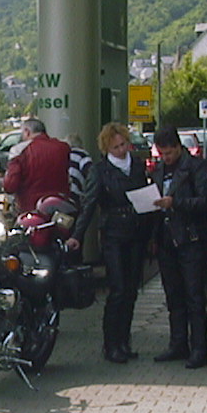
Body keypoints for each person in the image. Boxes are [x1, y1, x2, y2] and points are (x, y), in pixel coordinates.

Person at [66, 122, 153, 363]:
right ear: (107, 149)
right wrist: (77, 235)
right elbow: (89, 204)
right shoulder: (100, 170)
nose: (121, 150)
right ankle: (111, 344)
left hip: (136, 231)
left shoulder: (137, 165)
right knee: (118, 289)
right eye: (116, 147)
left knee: (131, 290)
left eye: (124, 144)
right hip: (113, 234)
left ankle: (124, 341)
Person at [150, 126, 207, 369]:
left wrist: (175, 203)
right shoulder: (159, 170)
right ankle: (178, 343)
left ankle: (199, 348)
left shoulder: (196, 167)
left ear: (179, 147)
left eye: (169, 153)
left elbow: (205, 202)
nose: (165, 158)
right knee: (173, 294)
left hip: (191, 238)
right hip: (166, 238)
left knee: (194, 295)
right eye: (161, 153)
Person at [1, 117, 70, 212]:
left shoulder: (19, 150)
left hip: (30, 208)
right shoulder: (63, 147)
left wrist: (4, 180)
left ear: (27, 132)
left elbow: (10, 186)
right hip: (60, 207)